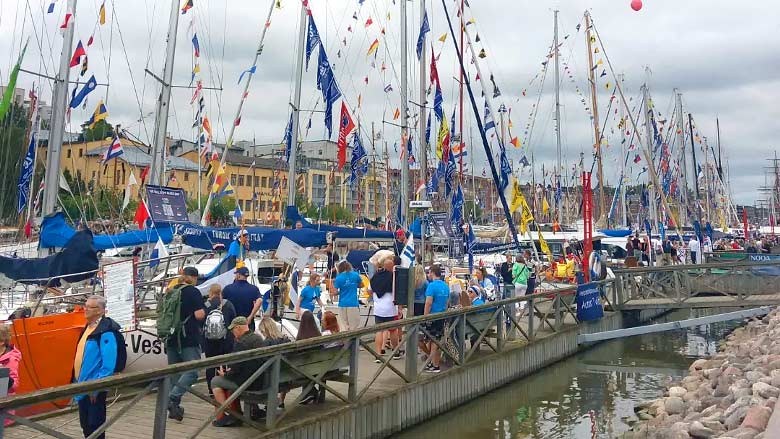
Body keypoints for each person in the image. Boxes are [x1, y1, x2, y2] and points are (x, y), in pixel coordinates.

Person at [211, 317, 288, 426]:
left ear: (238, 328)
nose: (232, 332)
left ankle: (226, 415)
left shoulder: (241, 344)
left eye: (233, 330)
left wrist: (225, 374)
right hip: (263, 379)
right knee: (228, 384)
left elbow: (235, 369)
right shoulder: (257, 338)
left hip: (251, 383)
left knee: (216, 381)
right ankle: (235, 414)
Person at [73, 296, 124, 439]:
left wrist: (96, 388)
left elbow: (108, 364)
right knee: (85, 426)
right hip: (82, 386)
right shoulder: (88, 328)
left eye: (91, 307)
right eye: (85, 305)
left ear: (101, 311)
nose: (86, 309)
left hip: (94, 388)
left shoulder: (105, 332)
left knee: (96, 427)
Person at [165, 267, 206, 422]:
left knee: (175, 372)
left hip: (171, 337)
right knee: (193, 370)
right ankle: (172, 398)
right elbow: (199, 315)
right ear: (193, 278)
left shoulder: (171, 290)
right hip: (188, 337)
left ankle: (174, 409)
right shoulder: (193, 291)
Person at [203, 284, 237, 397]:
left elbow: (201, 321)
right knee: (225, 363)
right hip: (225, 340)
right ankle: (224, 387)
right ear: (220, 292)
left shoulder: (207, 304)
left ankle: (210, 389)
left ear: (211, 293)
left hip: (209, 341)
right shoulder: (227, 304)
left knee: (210, 365)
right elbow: (234, 320)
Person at [369, 257, 401, 362]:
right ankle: (395, 352)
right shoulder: (394, 277)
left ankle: (378, 355)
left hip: (378, 308)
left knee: (379, 331)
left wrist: (374, 298)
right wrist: (400, 308)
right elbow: (398, 292)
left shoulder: (375, 277)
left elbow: (369, 290)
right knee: (393, 330)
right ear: (392, 267)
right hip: (391, 307)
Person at [423, 265, 450, 373]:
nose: (428, 275)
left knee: (432, 340)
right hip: (442, 315)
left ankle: (435, 365)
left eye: (429, 273)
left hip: (433, 315)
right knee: (436, 340)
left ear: (433, 273)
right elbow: (447, 302)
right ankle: (433, 363)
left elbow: (428, 302)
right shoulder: (445, 285)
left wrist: (425, 316)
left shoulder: (431, 286)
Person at [222, 266, 262, 332]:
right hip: (247, 323)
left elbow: (221, 302)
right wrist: (250, 317)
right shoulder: (254, 289)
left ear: (238, 275)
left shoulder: (228, 288)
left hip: (232, 324)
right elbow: (260, 300)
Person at [0, 325, 21, 426]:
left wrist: (2, 374)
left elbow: (14, 386)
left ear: (2, 342)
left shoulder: (10, 359)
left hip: (3, 407)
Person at [333, 261, 362, 331]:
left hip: (342, 304)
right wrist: (353, 286)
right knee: (354, 326)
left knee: (343, 326)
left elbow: (334, 292)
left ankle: (345, 341)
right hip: (353, 303)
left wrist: (342, 291)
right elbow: (362, 285)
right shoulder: (355, 275)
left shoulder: (338, 278)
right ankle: (353, 341)